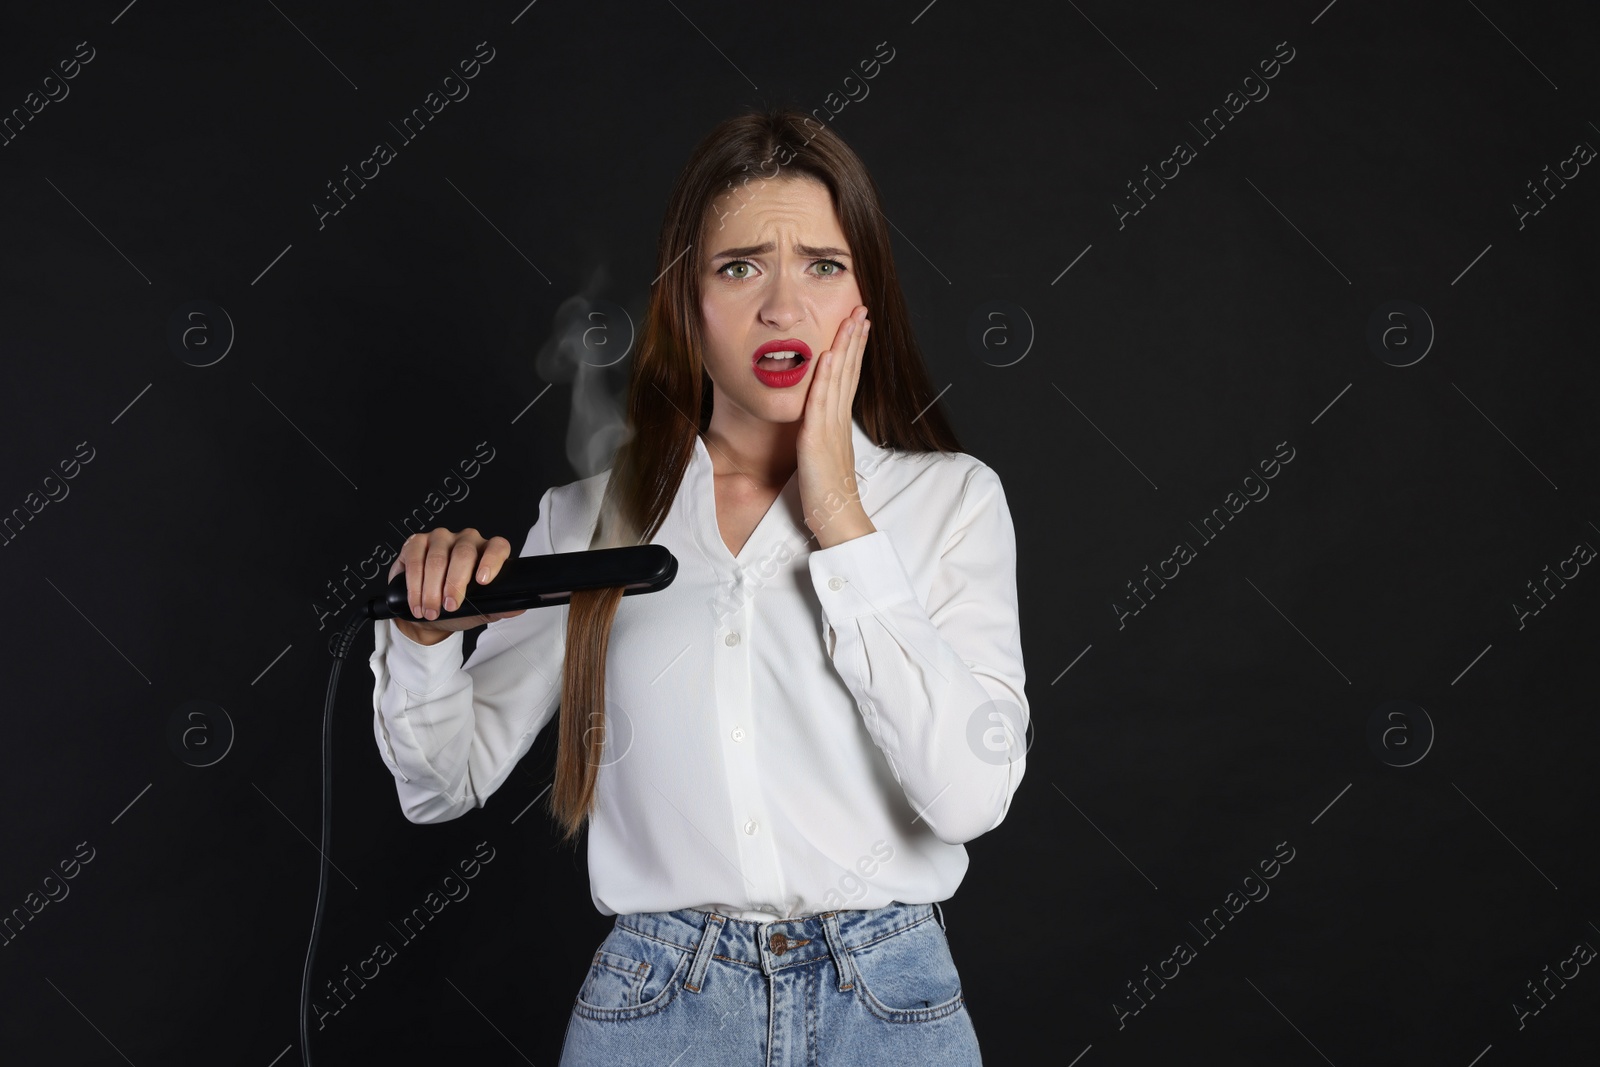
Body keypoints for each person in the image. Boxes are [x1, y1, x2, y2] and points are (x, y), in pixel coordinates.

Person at [368, 107, 1028, 1066]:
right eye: (739, 266)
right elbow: (442, 785)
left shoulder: (949, 503)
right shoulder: (590, 523)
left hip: (887, 1009)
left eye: (823, 264)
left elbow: (969, 797)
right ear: (686, 300)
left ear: (865, 298)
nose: (781, 306)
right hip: (659, 1011)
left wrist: (839, 508)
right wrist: (426, 646)